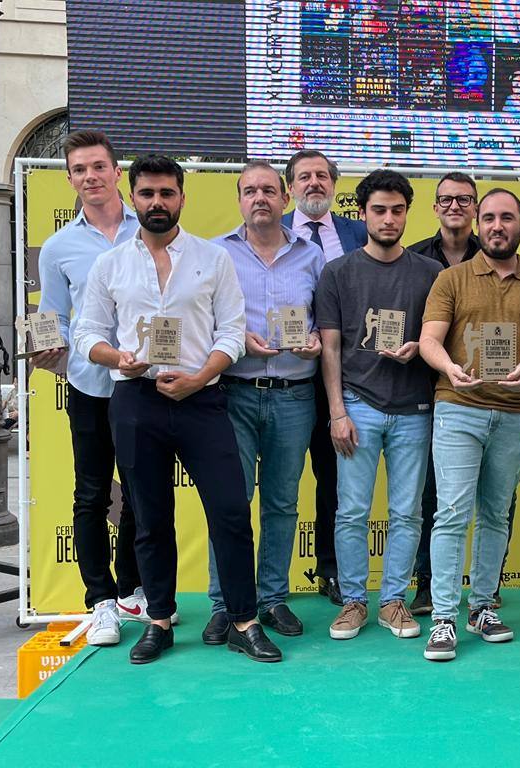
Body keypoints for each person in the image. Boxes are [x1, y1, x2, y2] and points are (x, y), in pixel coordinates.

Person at [74, 155, 281, 665]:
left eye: (167, 193)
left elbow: (232, 333)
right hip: (136, 399)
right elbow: (85, 336)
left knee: (231, 511)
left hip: (202, 397)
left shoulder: (213, 260)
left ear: (182, 198)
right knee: (148, 516)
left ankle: (243, 620)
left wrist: (200, 377)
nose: (157, 203)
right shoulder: (111, 264)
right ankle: (160, 620)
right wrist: (117, 357)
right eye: (147, 194)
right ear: (134, 197)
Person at [418, 188, 520, 661]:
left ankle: (482, 608)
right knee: (452, 513)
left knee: (496, 513)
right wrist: (448, 367)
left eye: (508, 218)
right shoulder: (450, 279)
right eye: (490, 218)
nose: (498, 226)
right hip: (459, 407)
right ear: (479, 223)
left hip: (516, 413)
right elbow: (429, 339)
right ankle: (443, 619)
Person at [34, 129, 153, 646]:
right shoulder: (60, 247)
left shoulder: (148, 230)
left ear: (115, 172)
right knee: (90, 494)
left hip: (143, 383)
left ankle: (132, 589)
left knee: (142, 493)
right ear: (70, 180)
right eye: (80, 170)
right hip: (87, 386)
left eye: (98, 167)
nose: (90, 177)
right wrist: (49, 351)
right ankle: (100, 600)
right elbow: (54, 320)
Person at [316, 170, 442, 641]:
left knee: (408, 511)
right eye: (379, 210)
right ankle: (353, 601)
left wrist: (418, 348)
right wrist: (337, 413)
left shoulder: (432, 274)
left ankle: (393, 601)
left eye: (397, 210)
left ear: (408, 213)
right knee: (351, 511)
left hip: (415, 408)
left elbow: (439, 339)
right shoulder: (338, 272)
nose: (388, 219)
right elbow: (330, 348)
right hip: (357, 405)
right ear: (362, 213)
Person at [203, 161, 324, 644]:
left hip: (295, 396)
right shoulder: (215, 255)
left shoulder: (312, 256)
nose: (260, 199)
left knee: (282, 502)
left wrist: (313, 340)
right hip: (232, 393)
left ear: (285, 198)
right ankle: (223, 603)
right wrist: (235, 340)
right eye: (250, 191)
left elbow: (326, 322)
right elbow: (200, 320)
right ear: (239, 200)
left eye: (269, 191)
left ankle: (273, 597)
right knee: (231, 503)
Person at [408, 173, 518, 615]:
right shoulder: (416, 260)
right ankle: (430, 590)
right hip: (439, 395)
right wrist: (441, 363)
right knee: (438, 500)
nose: (455, 206)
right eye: (446, 199)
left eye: (465, 200)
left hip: (507, 403)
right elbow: (427, 331)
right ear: (435, 206)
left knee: (497, 504)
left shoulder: (503, 257)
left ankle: (486, 594)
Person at [282, 149, 368, 607]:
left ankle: (331, 571)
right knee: (281, 480)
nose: (313, 183)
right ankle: (269, 577)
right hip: (286, 376)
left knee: (335, 478)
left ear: (334, 185)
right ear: (289, 188)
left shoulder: (358, 233)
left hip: (345, 378)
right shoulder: (270, 234)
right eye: (304, 177)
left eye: (321, 176)